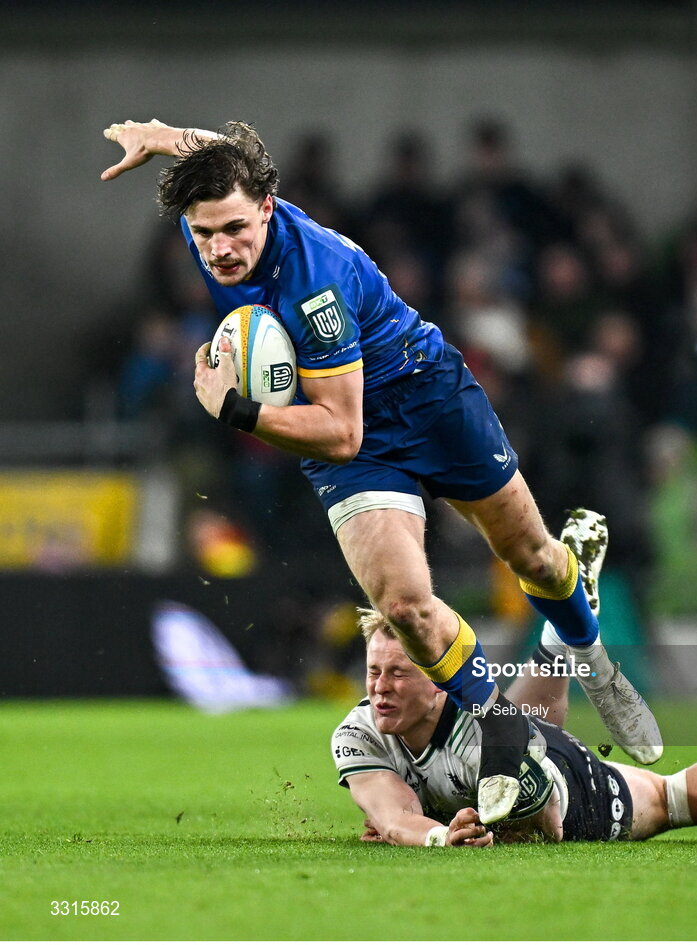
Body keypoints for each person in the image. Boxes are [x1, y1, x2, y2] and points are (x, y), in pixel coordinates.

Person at [101, 119, 662, 824]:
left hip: (425, 401)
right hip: (358, 442)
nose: (220, 248)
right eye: (205, 232)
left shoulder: (316, 286)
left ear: (269, 210)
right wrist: (162, 135)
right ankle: (506, 737)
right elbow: (226, 159)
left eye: (235, 230)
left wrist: (237, 410)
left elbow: (340, 430)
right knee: (403, 604)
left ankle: (590, 652)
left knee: (533, 559)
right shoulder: (216, 217)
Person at [335, 606, 697, 847]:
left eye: (398, 675)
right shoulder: (358, 731)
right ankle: (566, 622)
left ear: (439, 678)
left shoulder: (476, 724)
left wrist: (467, 828)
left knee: (670, 798)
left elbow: (549, 822)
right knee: (525, 724)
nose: (379, 688)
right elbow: (391, 813)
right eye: (373, 672)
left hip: (572, 792)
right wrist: (435, 834)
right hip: (526, 739)